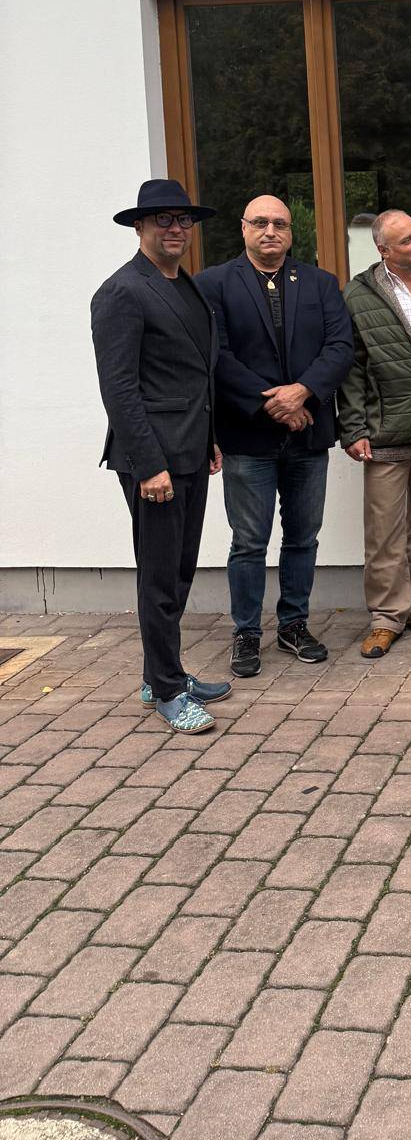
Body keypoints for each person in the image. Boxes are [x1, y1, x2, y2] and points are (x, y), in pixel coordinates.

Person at [90, 179, 230, 734]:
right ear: (140, 227)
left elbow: (193, 373)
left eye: (183, 220)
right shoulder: (122, 292)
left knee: (179, 570)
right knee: (160, 577)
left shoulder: (184, 284)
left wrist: (209, 435)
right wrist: (150, 465)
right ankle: (168, 691)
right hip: (154, 461)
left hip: (191, 449)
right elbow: (120, 388)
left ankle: (160, 673)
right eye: (163, 219)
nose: (176, 229)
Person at [195, 195, 354, 678]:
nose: (270, 231)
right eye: (260, 222)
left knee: (303, 537)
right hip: (248, 436)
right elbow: (216, 356)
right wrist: (275, 404)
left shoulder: (321, 283)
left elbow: (340, 346)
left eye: (280, 224)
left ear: (291, 232)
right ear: (243, 228)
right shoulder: (213, 284)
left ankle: (294, 624)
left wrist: (302, 392)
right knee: (249, 541)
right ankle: (246, 632)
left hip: (309, 434)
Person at [339, 210, 411, 658]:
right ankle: (387, 616)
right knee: (384, 531)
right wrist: (353, 427)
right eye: (406, 240)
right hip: (385, 431)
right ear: (383, 250)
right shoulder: (359, 293)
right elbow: (351, 369)